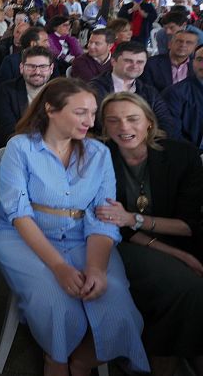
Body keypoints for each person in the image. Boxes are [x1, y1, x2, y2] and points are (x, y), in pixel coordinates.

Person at [0, 77, 150, 375]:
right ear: (51, 109)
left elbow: (105, 215)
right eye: (80, 112)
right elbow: (19, 213)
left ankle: (81, 360)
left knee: (118, 308)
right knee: (56, 302)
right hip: (21, 234)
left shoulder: (98, 154)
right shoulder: (21, 148)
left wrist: (97, 268)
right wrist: (59, 267)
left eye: (92, 112)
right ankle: (56, 358)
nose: (90, 121)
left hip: (81, 235)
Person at [97, 91, 203, 376]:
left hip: (179, 236)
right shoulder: (99, 157)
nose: (124, 127)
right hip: (124, 242)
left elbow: (189, 223)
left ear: (149, 123)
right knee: (186, 285)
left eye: (133, 119)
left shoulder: (183, 155)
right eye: (114, 121)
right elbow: (114, 225)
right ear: (104, 127)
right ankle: (161, 360)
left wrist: (135, 218)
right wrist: (175, 254)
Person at [88, 41, 180, 138]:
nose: (135, 66)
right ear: (113, 62)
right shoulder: (95, 88)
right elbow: (98, 122)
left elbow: (166, 123)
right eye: (128, 61)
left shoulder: (149, 92)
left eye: (140, 62)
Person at [0, 46, 53, 153]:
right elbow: (8, 129)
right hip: (10, 149)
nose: (37, 71)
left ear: (51, 69)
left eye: (43, 67)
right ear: (21, 68)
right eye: (31, 66)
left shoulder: (59, 94)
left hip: (48, 151)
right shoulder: (5, 90)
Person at [163, 44, 203, 152]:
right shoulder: (175, 93)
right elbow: (172, 134)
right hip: (191, 155)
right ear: (192, 62)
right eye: (200, 59)